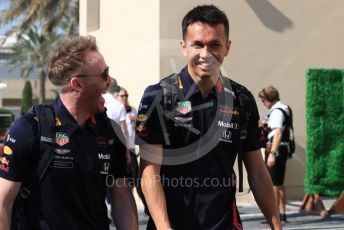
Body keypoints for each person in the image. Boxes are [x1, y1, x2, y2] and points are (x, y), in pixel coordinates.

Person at [136, 5, 281, 230]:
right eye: (197, 45)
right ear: (183, 47)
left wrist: (276, 226)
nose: (206, 54)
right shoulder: (159, 97)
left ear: (227, 47)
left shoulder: (241, 99)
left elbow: (258, 173)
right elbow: (149, 174)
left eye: (214, 45)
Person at [0, 36, 138, 230]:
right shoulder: (31, 129)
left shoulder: (109, 131)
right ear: (77, 84)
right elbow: (3, 202)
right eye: (104, 74)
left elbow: (121, 196)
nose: (109, 82)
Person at [258, 85, 290, 224]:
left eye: (263, 100)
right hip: (283, 148)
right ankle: (282, 214)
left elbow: (278, 133)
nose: (263, 104)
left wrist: (272, 153)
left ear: (268, 99)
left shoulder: (276, 111)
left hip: (275, 149)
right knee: (279, 183)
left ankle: (274, 216)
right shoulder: (284, 107)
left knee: (273, 185)